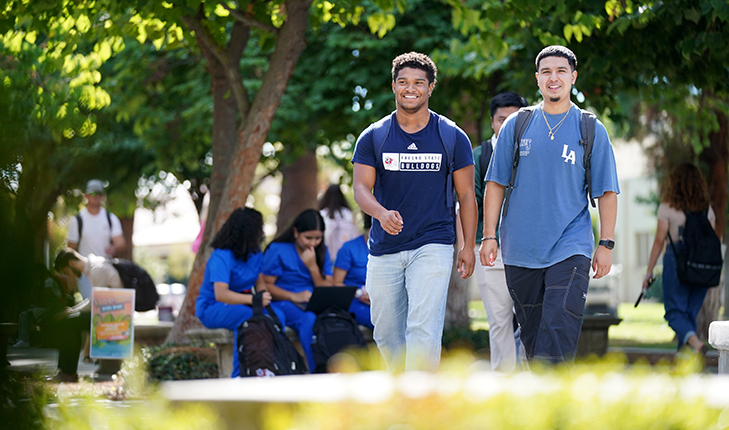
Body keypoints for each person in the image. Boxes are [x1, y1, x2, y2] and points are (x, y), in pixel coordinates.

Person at [480, 45, 619, 363]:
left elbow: (606, 191)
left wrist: (606, 243)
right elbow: (495, 183)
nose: (553, 78)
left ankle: (555, 407)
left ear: (573, 77)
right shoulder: (517, 125)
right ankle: (539, 402)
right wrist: (489, 235)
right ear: (537, 79)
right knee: (532, 338)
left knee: (559, 329)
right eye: (546, 72)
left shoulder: (590, 129)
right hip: (520, 250)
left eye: (560, 71)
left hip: (570, 247)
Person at [352, 52, 477, 371]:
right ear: (394, 86)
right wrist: (380, 213)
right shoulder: (374, 136)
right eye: (404, 82)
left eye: (419, 83)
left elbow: (465, 194)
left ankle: (420, 400)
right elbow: (361, 189)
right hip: (384, 248)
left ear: (430, 87)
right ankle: (400, 392)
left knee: (423, 327)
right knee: (386, 331)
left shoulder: (451, 136)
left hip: (433, 243)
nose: (411, 88)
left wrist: (467, 245)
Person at [473, 92, 528, 372]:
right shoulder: (479, 156)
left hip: (531, 248)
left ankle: (534, 378)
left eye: (514, 119)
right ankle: (503, 380)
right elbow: (467, 204)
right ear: (492, 122)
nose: (507, 125)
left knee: (531, 318)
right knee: (499, 319)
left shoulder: (536, 152)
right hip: (489, 249)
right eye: (501, 120)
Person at [195, 207, 277, 378]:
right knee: (247, 319)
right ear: (247, 231)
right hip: (213, 307)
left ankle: (272, 368)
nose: (262, 232)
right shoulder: (222, 256)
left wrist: (263, 297)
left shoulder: (255, 253)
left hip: (244, 303)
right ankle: (240, 376)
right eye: (259, 228)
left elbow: (259, 281)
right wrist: (253, 300)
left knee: (278, 317)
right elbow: (221, 294)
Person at [643, 163, 715, 354]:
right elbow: (712, 243)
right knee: (689, 313)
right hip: (703, 266)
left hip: (677, 262)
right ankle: (686, 363)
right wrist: (712, 275)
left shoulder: (668, 208)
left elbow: (659, 241)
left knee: (674, 313)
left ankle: (695, 343)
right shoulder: (707, 210)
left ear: (674, 183)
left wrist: (649, 271)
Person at [262, 209, 333, 372]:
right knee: (308, 319)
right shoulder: (278, 250)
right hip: (283, 301)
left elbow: (326, 287)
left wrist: (313, 268)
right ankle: (317, 371)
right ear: (295, 232)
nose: (313, 243)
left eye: (318, 238)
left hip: (312, 301)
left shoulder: (322, 251)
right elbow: (266, 285)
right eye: (308, 238)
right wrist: (294, 296)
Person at [333, 213, 374, 329]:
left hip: (381, 299)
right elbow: (336, 283)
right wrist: (360, 294)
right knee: (379, 321)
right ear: (367, 228)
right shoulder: (349, 248)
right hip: (355, 299)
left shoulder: (389, 249)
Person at [66, 179, 126, 259]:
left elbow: (121, 243)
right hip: (85, 270)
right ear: (86, 195)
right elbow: (70, 250)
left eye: (99, 193)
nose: (95, 196)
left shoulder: (111, 218)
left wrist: (114, 248)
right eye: (92, 193)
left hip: (106, 268)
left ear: (103, 196)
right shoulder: (77, 221)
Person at [319, 184, 359, 262]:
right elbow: (356, 232)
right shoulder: (348, 213)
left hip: (326, 254)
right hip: (346, 254)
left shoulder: (322, 214)